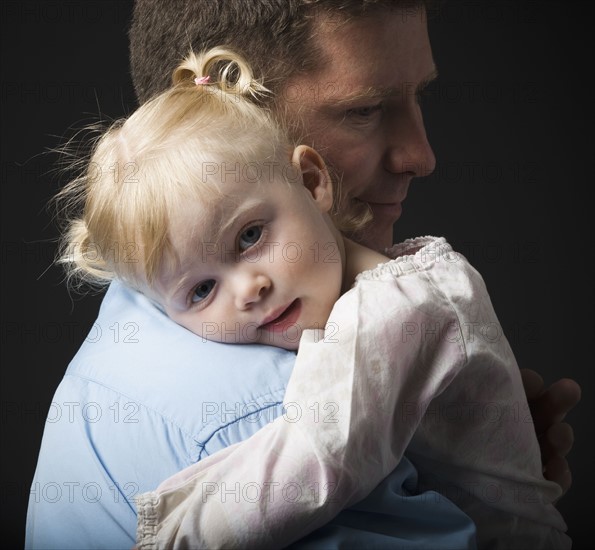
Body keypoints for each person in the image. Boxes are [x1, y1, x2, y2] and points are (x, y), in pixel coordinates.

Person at [25, 1, 579, 548]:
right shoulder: (260, 415)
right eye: (363, 109)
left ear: (309, 178)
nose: (422, 155)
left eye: (250, 237)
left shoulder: (145, 306)